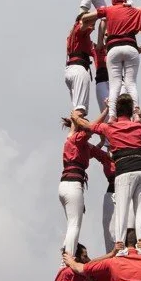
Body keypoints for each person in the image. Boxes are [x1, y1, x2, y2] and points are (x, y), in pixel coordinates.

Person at [70, 95, 141, 246]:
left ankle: (120, 245)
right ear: (131, 112)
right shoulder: (140, 125)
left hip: (124, 169)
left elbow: (88, 126)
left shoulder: (109, 128)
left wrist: (75, 119)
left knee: (122, 209)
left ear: (116, 112)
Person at [81, 0, 141, 119]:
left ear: (113, 1)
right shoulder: (134, 10)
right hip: (131, 47)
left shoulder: (109, 9)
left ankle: (111, 116)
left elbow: (86, 18)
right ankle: (136, 115)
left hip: (113, 49)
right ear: (125, 1)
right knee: (130, 84)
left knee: (115, 85)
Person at [58, 106, 107, 255]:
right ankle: (67, 259)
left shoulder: (81, 144)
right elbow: (91, 129)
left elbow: (99, 154)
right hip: (73, 185)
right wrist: (105, 111)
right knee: (74, 226)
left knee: (71, 225)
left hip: (67, 185)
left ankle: (67, 255)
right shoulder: (76, 139)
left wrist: (103, 141)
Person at [65, 15, 95, 115]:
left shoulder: (78, 36)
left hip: (71, 69)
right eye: (92, 23)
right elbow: (83, 25)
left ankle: (76, 128)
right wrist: (101, 13)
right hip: (79, 69)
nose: (93, 27)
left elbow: (96, 49)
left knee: (77, 108)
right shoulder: (78, 30)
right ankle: (75, 130)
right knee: (80, 109)